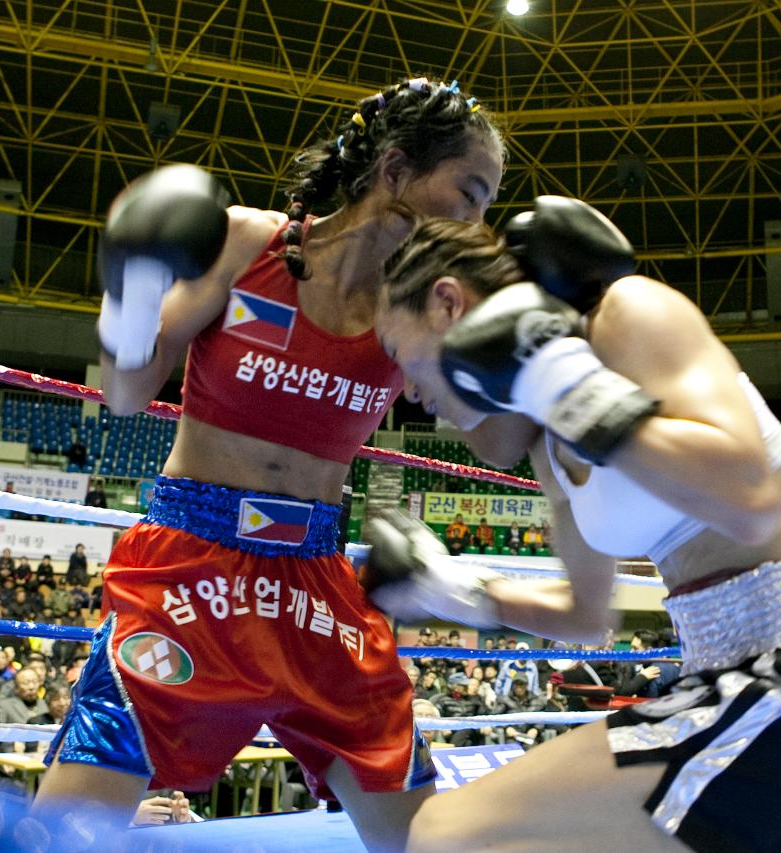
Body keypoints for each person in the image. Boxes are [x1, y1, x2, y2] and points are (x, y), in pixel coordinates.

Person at [32, 75, 504, 852]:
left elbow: (491, 443)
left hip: (315, 578)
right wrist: (131, 291)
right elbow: (124, 393)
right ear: (394, 172)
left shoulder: (417, 303)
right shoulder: (247, 241)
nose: (478, 223)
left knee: (422, 838)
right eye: (469, 193)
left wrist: (472, 345)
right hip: (190, 566)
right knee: (66, 831)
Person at [364, 205, 781, 852]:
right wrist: (446, 589)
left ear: (447, 303)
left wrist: (557, 377)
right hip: (731, 693)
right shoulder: (547, 430)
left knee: (446, 838)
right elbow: (588, 614)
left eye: (399, 353)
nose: (406, 388)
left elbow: (750, 495)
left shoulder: (625, 314)